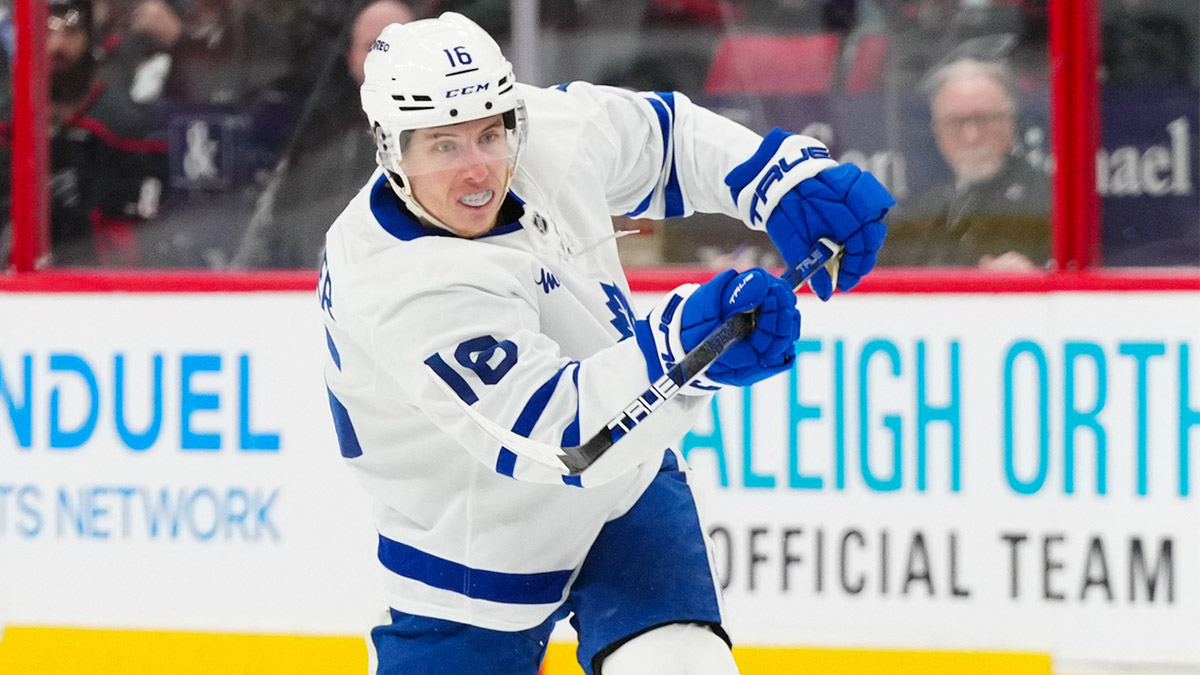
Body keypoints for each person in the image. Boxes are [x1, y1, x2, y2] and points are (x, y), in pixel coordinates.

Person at [320, 13, 891, 675]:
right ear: (391, 150)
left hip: (622, 485)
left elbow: (663, 139)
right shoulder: (400, 283)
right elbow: (562, 440)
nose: (478, 168)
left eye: (489, 133)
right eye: (443, 146)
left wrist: (775, 179)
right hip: (473, 540)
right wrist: (687, 346)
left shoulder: (539, 131)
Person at [230, 0, 415, 269]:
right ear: (351, 58)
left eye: (402, 47)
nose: (387, 60)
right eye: (374, 47)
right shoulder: (317, 135)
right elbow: (276, 237)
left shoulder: (456, 134)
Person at [0, 0, 167, 267]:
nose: (57, 45)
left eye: (70, 31)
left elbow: (142, 239)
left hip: (96, 292)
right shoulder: (6, 124)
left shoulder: (123, 128)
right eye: (46, 31)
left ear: (89, 40)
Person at [881, 57, 1049, 269]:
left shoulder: (1051, 202)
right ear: (938, 132)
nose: (971, 136)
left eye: (984, 119)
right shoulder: (925, 210)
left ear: (1010, 124)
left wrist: (1033, 280)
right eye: (955, 123)